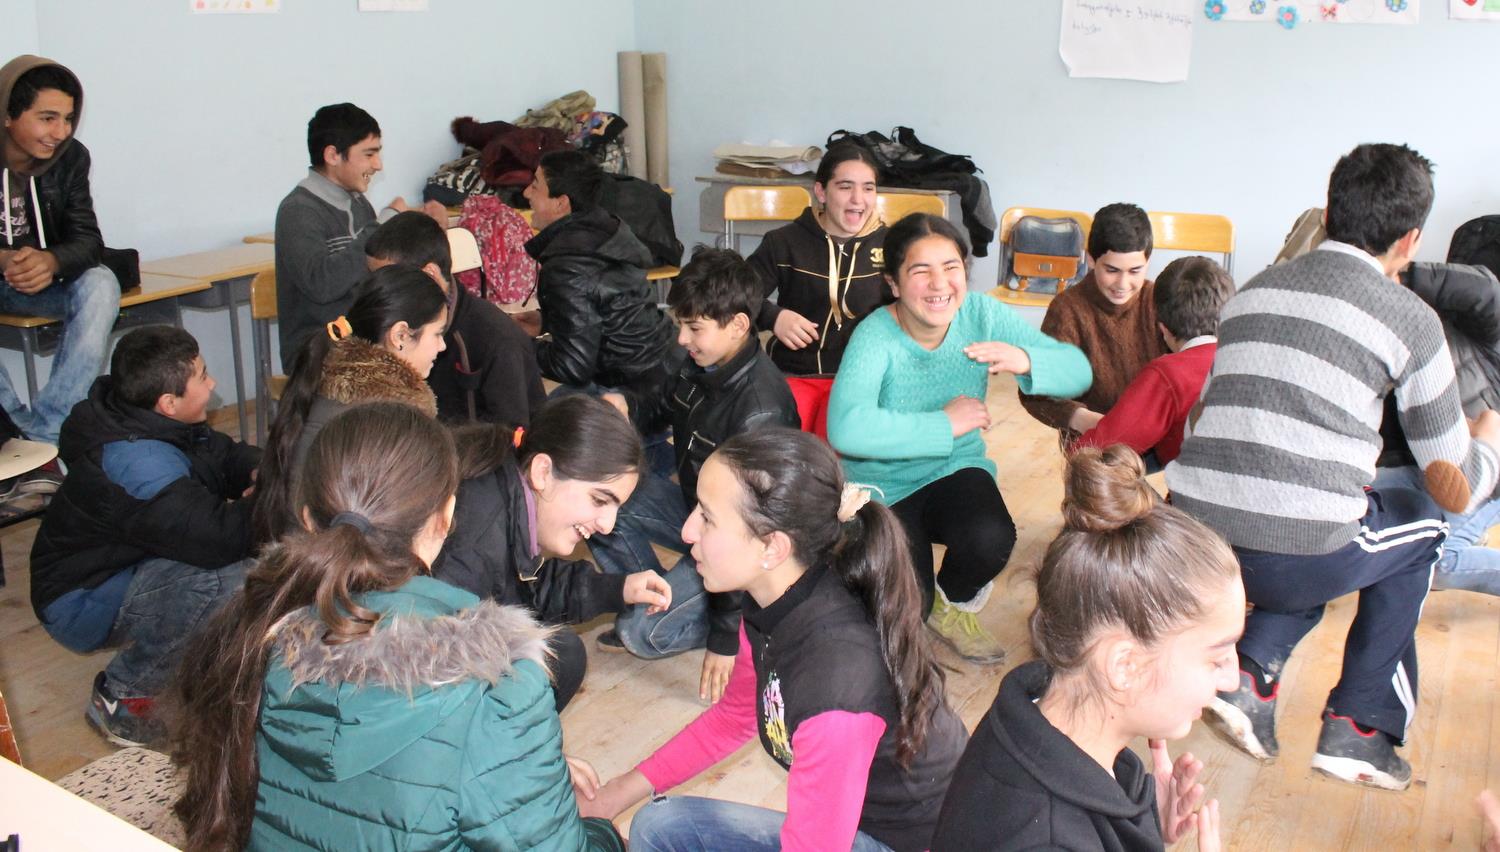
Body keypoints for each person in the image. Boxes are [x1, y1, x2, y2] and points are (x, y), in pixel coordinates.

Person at [1170, 143, 1500, 789]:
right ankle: (1361, 730)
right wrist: (1488, 441)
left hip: (1192, 537)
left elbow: (1197, 426)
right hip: (1288, 557)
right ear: (1411, 239)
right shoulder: (1411, 319)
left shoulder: (1250, 293)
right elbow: (1454, 487)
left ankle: (1251, 677)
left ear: (1328, 214)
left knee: (1331, 522)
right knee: (1421, 527)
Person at [172, 403, 625, 852]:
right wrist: (604, 835)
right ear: (446, 517)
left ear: (308, 520)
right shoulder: (499, 685)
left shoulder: (251, 633)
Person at [580, 429, 968, 852]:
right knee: (659, 826)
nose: (688, 531)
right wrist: (612, 796)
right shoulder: (776, 600)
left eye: (707, 517)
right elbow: (735, 717)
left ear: (772, 548)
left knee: (660, 832)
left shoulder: (836, 686)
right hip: (848, 832)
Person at [932, 445, 1233, 851]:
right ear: (1124, 665)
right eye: (1216, 657)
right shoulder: (1044, 839)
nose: (1233, 678)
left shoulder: (1034, 720)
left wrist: (1142, 828)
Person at [827, 213, 1091, 663]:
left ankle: (948, 603)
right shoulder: (875, 335)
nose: (939, 283)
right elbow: (846, 428)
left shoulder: (981, 314)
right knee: (906, 608)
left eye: (951, 267)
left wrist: (1026, 359)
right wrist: (943, 424)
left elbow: (1078, 371)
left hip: (953, 466)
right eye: (920, 270)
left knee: (991, 539)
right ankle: (920, 600)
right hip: (881, 485)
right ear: (893, 283)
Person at [29, 326, 259, 747]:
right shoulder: (139, 463)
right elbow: (220, 539)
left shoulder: (146, 416)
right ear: (168, 402)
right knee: (227, 580)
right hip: (77, 601)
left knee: (230, 568)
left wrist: (266, 471)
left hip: (118, 568)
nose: (212, 384)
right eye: (203, 376)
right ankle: (123, 695)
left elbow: (224, 456)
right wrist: (266, 500)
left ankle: (185, 668)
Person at [590, 247, 799, 701]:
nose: (682, 338)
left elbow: (752, 533)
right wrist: (627, 404)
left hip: (738, 539)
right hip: (697, 515)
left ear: (738, 325)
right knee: (598, 501)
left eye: (694, 328)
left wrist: (724, 638)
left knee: (641, 636)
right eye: (680, 324)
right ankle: (658, 596)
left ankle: (727, 619)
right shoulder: (703, 360)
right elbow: (660, 401)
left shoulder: (760, 410)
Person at [433, 395, 673, 710]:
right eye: (600, 500)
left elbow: (524, 586)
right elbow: (436, 683)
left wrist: (618, 588)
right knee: (558, 658)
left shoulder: (506, 484)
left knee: (561, 655)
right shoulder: (471, 547)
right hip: (420, 689)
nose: (607, 525)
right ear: (543, 471)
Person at [254, 264, 447, 544]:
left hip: (309, 550)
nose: (442, 346)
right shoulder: (386, 414)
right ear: (401, 336)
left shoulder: (334, 373)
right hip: (332, 557)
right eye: (438, 334)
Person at [0, 55, 120, 445]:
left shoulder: (71, 158)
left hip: (44, 282)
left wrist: (51, 261)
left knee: (101, 282)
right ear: (8, 115)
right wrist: (4, 259)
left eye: (68, 119)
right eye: (47, 118)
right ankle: (15, 426)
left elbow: (88, 241)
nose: (60, 131)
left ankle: (50, 430)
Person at [274, 102, 445, 367]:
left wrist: (423, 227)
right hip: (316, 353)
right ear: (333, 155)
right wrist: (383, 224)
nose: (378, 165)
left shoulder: (357, 203)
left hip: (362, 343)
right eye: (369, 154)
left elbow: (380, 275)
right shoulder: (298, 211)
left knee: (433, 345)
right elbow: (322, 284)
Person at [748, 143, 886, 437]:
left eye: (868, 188)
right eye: (845, 187)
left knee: (840, 443)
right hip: (795, 372)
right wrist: (774, 316)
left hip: (863, 379)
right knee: (784, 444)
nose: (858, 199)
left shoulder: (893, 246)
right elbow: (735, 294)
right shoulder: (782, 242)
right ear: (821, 192)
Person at [518, 149, 681, 399]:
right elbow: (606, 308)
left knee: (545, 413)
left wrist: (516, 343)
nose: (526, 193)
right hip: (664, 368)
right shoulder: (605, 231)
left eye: (535, 186)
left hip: (637, 391)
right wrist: (547, 320)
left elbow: (572, 366)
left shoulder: (566, 265)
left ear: (561, 203)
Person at [366, 210, 545, 425]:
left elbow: (511, 434)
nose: (379, 289)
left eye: (391, 278)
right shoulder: (388, 320)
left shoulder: (497, 341)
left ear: (430, 274)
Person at [1019, 202, 1169, 444]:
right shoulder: (1066, 309)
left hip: (1155, 439)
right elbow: (1035, 392)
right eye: (1112, 270)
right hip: (1092, 443)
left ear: (1148, 262)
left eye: (1135, 271)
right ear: (1090, 259)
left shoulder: (1158, 300)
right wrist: (1082, 419)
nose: (1122, 284)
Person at [1072, 255, 1234, 464]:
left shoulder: (1169, 375)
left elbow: (1099, 448)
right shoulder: (1250, 357)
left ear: (1163, 328)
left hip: (1195, 480)